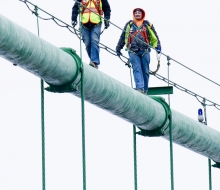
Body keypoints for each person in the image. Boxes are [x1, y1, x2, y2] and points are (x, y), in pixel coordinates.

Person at [116, 8, 161, 94]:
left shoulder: (147, 24)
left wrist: (158, 47)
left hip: (145, 51)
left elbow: (154, 36)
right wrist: (118, 48)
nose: (137, 14)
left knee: (145, 71)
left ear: (142, 14)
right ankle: (139, 88)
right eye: (135, 13)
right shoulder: (129, 24)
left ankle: (145, 90)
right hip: (133, 51)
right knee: (136, 68)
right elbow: (123, 37)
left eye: (139, 13)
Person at [71, 0, 111, 69]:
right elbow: (75, 7)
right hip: (84, 24)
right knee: (87, 43)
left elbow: (107, 8)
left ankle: (94, 61)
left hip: (96, 23)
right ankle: (93, 63)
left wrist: (107, 19)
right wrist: (74, 18)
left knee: (94, 40)